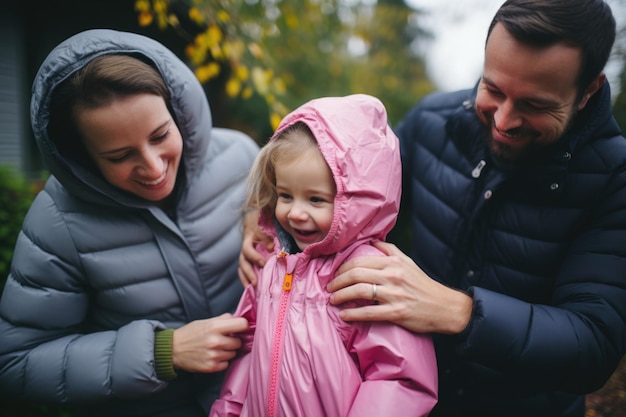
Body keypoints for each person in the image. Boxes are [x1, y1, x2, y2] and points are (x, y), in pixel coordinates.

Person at [241, 1, 626, 416]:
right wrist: (265, 213)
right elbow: (350, 194)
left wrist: (459, 311)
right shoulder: (431, 122)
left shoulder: (614, 177)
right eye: (493, 88)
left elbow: (594, 346)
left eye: (536, 105)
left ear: (588, 90)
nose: (504, 120)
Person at [0, 29, 260, 417]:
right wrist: (162, 352)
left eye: (160, 135)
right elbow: (16, 362)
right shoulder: (56, 222)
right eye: (119, 156)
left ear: (177, 111)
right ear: (82, 155)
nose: (153, 168)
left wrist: (272, 226)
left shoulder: (241, 157)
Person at [211, 94, 438, 417]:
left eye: (316, 200)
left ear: (357, 202)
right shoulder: (271, 264)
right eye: (285, 195)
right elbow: (249, 352)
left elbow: (399, 379)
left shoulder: (369, 277)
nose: (296, 213)